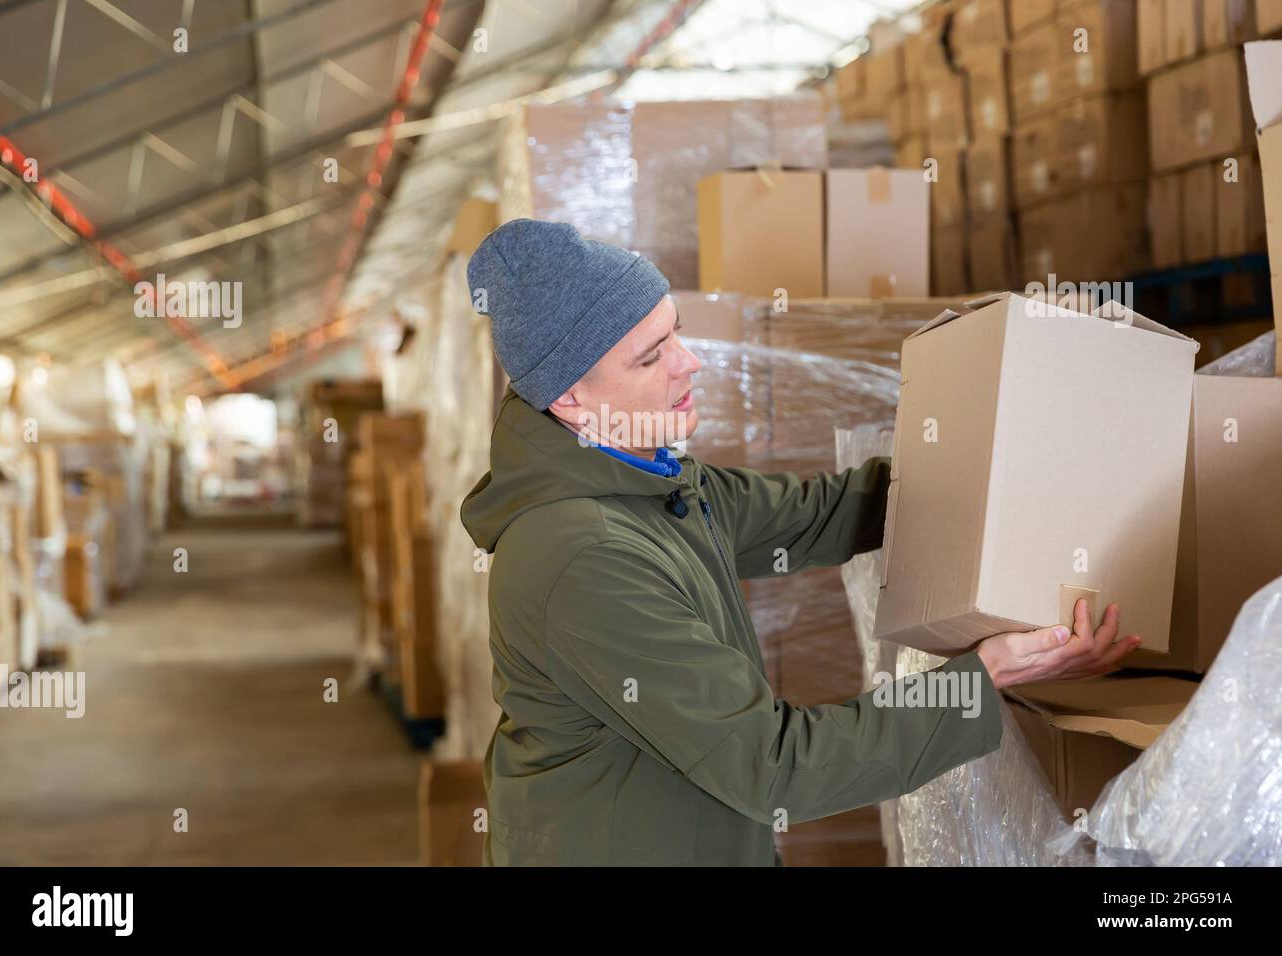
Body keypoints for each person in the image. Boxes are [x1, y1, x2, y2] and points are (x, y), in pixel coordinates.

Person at [460, 218, 1141, 866]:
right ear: (573, 401)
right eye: (651, 357)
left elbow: (823, 513)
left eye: (677, 334)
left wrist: (995, 447)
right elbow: (775, 763)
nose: (690, 364)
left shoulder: (652, 480)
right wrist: (982, 681)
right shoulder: (584, 559)